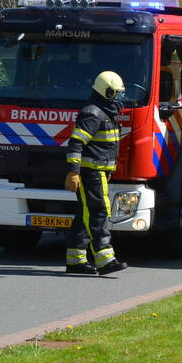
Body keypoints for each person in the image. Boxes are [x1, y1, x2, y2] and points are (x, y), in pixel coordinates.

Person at [64, 71, 128, 276]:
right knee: (99, 213)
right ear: (106, 92)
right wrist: (73, 172)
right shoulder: (93, 113)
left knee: (85, 215)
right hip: (90, 173)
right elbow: (76, 142)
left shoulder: (104, 112)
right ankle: (105, 260)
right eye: (116, 93)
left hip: (97, 172)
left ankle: (75, 261)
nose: (119, 98)